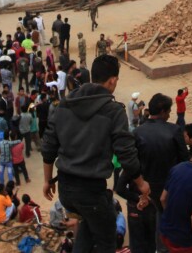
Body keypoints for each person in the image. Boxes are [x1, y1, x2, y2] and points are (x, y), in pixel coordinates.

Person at [41, 54, 150, 251]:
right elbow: (126, 153)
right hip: (91, 191)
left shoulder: (64, 104)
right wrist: (141, 184)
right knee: (107, 239)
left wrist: (47, 180)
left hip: (65, 190)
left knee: (88, 227)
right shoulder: (114, 111)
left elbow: (48, 147)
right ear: (113, 80)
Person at [134, 92, 189, 251]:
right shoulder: (174, 130)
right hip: (170, 187)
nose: (170, 114)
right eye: (169, 111)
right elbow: (184, 159)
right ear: (163, 112)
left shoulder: (138, 132)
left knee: (156, 219)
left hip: (147, 188)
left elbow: (134, 162)